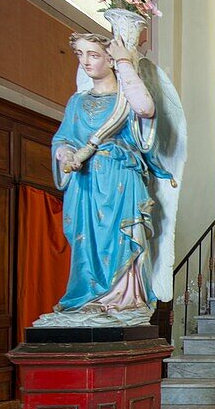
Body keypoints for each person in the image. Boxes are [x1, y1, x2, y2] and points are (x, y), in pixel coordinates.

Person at [49, 33, 174, 322]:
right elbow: (63, 138)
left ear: (109, 59)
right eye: (80, 54)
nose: (85, 61)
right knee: (85, 240)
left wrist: (125, 61)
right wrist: (65, 154)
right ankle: (87, 297)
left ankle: (121, 299)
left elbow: (146, 108)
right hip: (85, 183)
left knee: (120, 238)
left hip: (119, 179)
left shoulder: (126, 99)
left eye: (93, 54)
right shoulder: (76, 102)